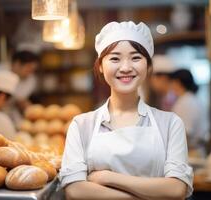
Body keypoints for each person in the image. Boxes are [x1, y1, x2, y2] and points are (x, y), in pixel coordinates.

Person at [59, 21, 193, 200]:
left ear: (148, 66)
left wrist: (108, 177)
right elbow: (75, 190)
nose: (125, 67)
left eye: (136, 58)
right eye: (115, 58)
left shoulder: (170, 123)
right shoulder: (82, 124)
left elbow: (176, 189)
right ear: (100, 66)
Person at [169, 69, 210, 158]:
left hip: (190, 153)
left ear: (177, 82)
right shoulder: (192, 99)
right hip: (195, 151)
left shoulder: (185, 102)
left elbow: (185, 134)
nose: (171, 86)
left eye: (171, 82)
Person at [8, 50, 39, 125]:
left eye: (32, 70)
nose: (30, 72)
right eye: (28, 68)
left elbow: (21, 100)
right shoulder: (1, 74)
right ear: (17, 64)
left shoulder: (31, 80)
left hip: (14, 116)